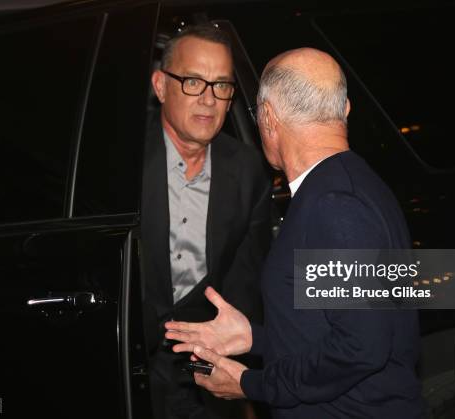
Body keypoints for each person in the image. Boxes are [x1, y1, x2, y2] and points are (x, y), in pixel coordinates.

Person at [165, 48, 425, 418]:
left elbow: (361, 348)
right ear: (346, 108)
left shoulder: (334, 204)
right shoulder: (349, 186)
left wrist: (250, 384)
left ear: (268, 118)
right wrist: (253, 338)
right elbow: (337, 332)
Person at [140, 25, 271, 419]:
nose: (209, 100)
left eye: (221, 86)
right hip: (128, 367)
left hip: (201, 374)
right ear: (161, 86)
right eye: (194, 81)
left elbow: (246, 284)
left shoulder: (248, 170)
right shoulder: (121, 162)